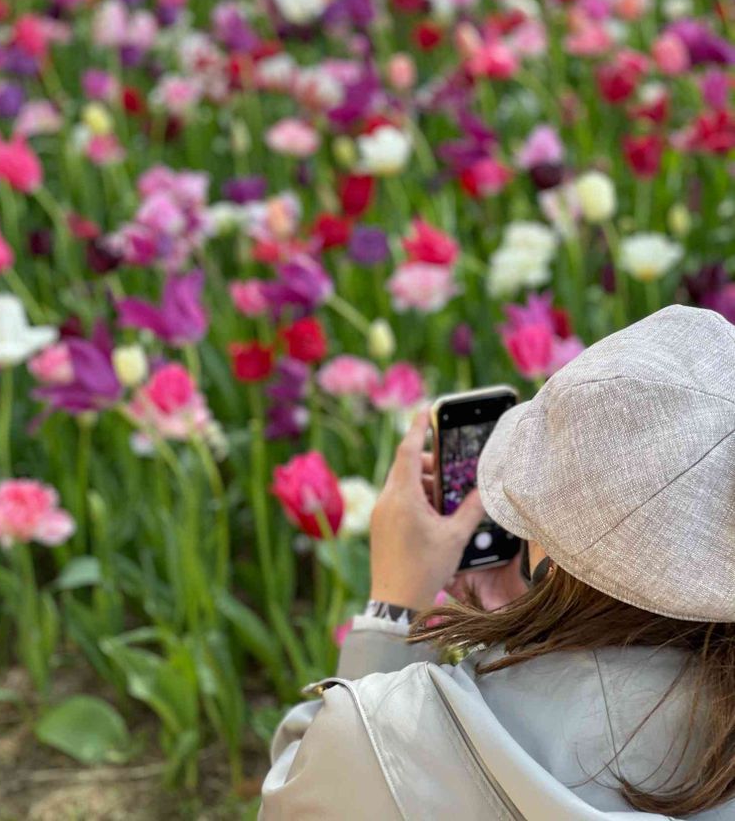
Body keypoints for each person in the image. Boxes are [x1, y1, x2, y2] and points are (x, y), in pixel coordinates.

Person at [260, 306, 735, 820]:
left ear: (544, 544)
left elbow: (305, 792)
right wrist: (535, 620)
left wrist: (392, 613)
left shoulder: (378, 737)